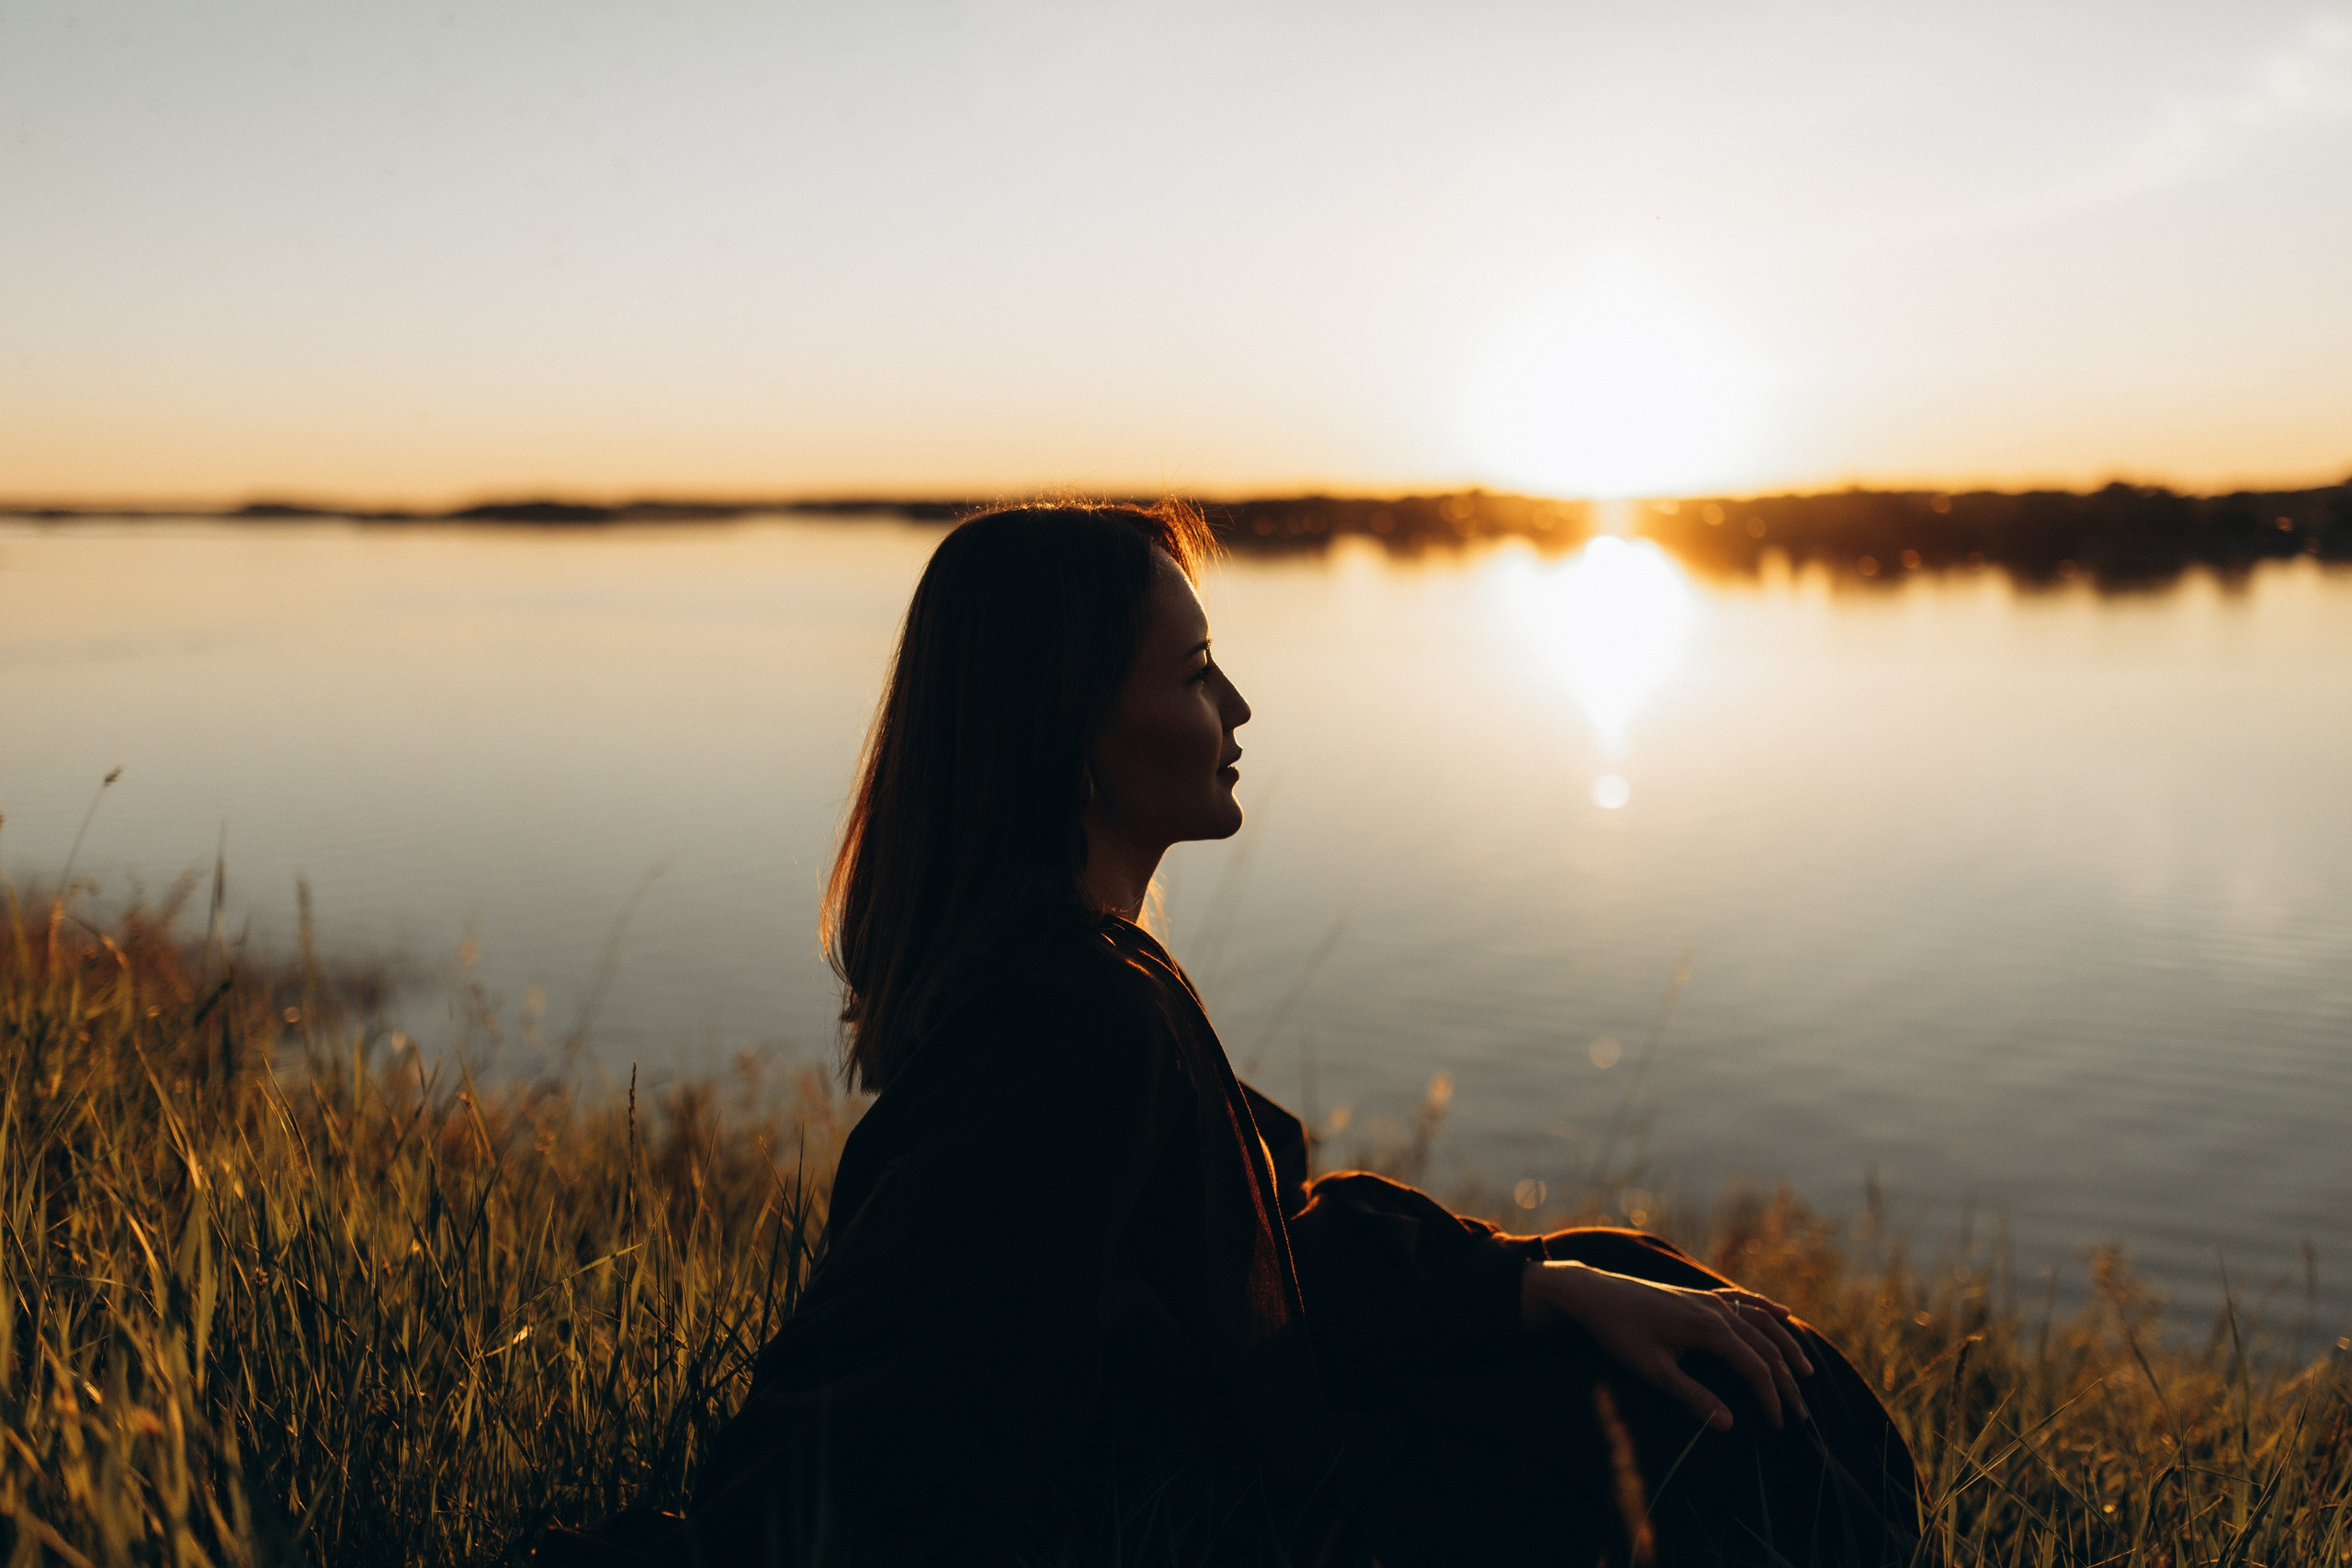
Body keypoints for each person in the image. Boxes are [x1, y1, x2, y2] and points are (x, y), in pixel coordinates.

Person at [542, 502, 1920, 1567]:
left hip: (1265, 1452)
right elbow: (894, 1397)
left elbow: (1243, 1249)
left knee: (1625, 1300)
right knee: (1746, 1461)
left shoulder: (1085, 974)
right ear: (1073, 735)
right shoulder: (1063, 1021)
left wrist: (1534, 1282)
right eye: (1196, 671)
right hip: (1261, 1504)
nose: (1238, 708)